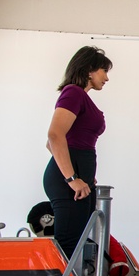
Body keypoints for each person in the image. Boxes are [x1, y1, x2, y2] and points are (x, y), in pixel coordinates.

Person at [43, 45, 112, 259]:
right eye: (104, 71)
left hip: (79, 176)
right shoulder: (73, 92)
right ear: (90, 70)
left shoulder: (81, 97)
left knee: (78, 242)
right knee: (69, 244)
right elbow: (54, 136)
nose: (106, 78)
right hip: (69, 181)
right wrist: (72, 177)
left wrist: (83, 174)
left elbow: (50, 144)